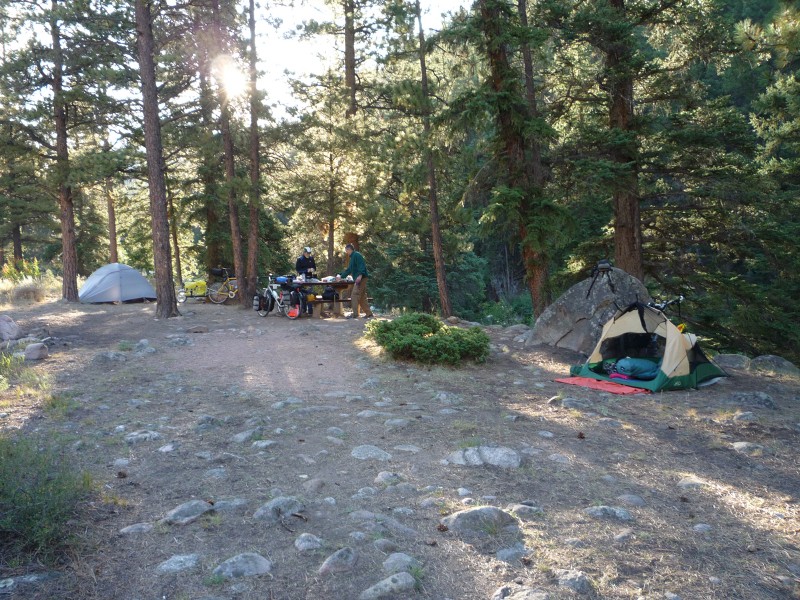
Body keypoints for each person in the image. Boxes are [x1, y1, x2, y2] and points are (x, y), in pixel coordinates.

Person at [336, 243, 374, 319]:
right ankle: (369, 313)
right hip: (359, 278)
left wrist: (360, 275)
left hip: (361, 278)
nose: (346, 252)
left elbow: (361, 265)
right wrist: (340, 275)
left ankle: (355, 314)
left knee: (354, 295)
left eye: (346, 250)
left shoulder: (357, 255)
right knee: (362, 296)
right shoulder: (352, 257)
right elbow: (349, 269)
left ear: (349, 249)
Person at [295, 247, 316, 315]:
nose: (308, 254)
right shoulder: (300, 259)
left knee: (310, 293)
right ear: (304, 253)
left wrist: (312, 269)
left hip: (310, 278)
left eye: (309, 253)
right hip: (302, 278)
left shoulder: (311, 258)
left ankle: (310, 310)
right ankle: (303, 309)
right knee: (303, 294)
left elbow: (314, 267)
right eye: (307, 253)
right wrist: (306, 270)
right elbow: (298, 270)